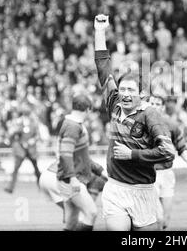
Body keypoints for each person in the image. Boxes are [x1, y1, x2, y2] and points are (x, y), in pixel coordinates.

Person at [93, 14, 176, 231]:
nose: (125, 94)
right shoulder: (114, 104)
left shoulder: (150, 115)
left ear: (142, 94)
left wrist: (133, 155)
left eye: (131, 90)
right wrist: (100, 31)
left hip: (143, 191)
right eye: (122, 89)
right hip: (115, 189)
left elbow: (168, 152)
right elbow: (103, 66)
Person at [149, 95, 187, 230]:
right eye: (151, 103)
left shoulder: (171, 125)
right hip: (148, 175)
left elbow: (181, 146)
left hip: (167, 174)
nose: (154, 105)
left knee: (165, 219)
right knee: (158, 217)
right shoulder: (140, 124)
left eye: (157, 103)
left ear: (162, 107)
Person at [55, 93, 100, 231]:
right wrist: (73, 178)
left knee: (72, 222)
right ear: (87, 109)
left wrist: (99, 170)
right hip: (71, 180)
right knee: (91, 213)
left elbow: (80, 156)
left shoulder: (72, 124)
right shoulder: (73, 126)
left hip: (69, 178)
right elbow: (65, 154)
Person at [4, 107, 41, 194]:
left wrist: (33, 140)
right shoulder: (18, 123)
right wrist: (15, 130)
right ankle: (10, 187)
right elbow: (12, 134)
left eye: (27, 115)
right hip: (21, 150)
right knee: (15, 169)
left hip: (31, 150)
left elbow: (37, 136)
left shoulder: (34, 124)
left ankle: (41, 186)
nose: (26, 117)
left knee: (36, 169)